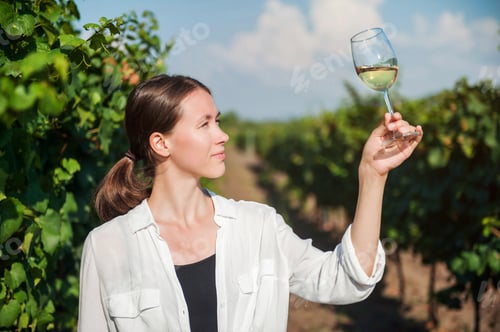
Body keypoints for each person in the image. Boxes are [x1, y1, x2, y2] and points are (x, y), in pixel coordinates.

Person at [78, 74, 423, 332]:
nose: (222, 134)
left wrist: (372, 175)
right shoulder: (108, 246)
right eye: (205, 124)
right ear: (161, 143)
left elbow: (346, 279)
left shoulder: (259, 227)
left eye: (219, 121)